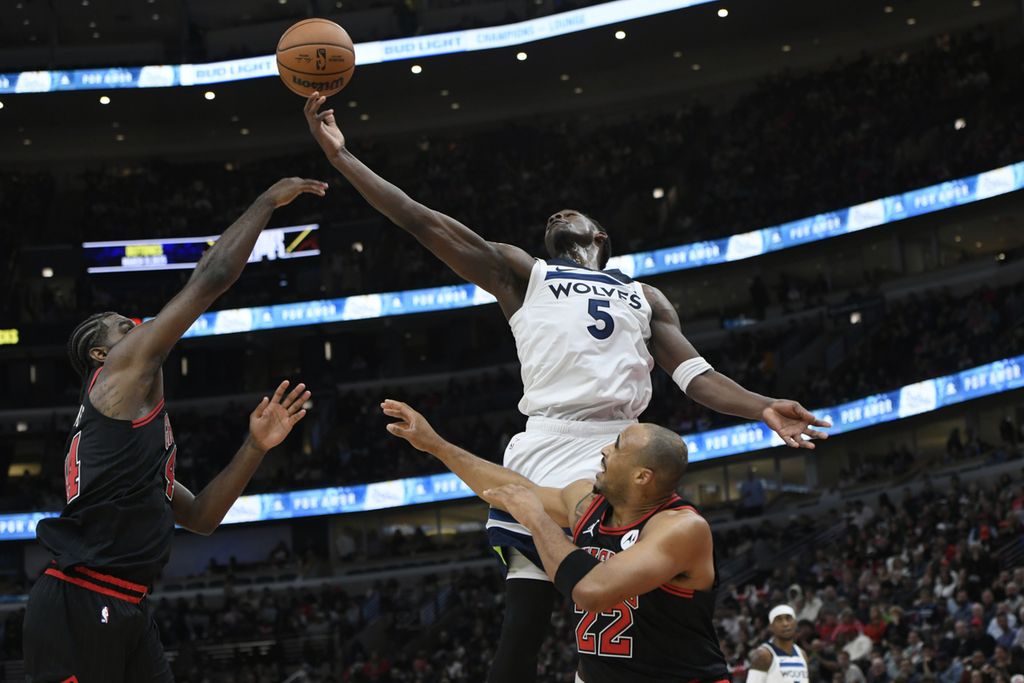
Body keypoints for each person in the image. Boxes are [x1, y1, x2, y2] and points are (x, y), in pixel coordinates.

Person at [304, 93, 831, 683]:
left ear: (599, 236)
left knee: (635, 607)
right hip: (549, 442)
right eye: (549, 219)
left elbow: (695, 377)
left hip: (622, 451)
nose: (556, 217)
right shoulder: (523, 272)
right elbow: (419, 220)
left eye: (569, 215)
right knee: (523, 623)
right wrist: (344, 156)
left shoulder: (644, 296)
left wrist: (762, 407)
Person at [23, 177, 326, 683]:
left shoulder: (129, 439)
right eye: (123, 326)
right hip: (80, 599)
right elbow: (211, 276)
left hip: (128, 603)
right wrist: (265, 201)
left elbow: (203, 517)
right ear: (102, 355)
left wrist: (255, 445)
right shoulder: (116, 376)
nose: (136, 325)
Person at [382, 399, 731, 683]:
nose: (606, 450)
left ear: (642, 476)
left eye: (619, 446)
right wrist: (436, 446)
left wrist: (535, 518)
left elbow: (593, 591)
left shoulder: (681, 529)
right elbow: (512, 487)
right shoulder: (586, 504)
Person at [747, 605, 810, 683]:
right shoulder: (763, 655)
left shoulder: (802, 654)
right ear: (771, 627)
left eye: (788, 618)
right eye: (779, 620)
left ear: (795, 623)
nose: (785, 624)